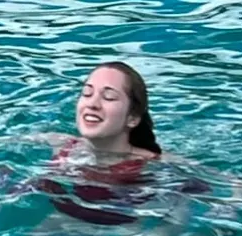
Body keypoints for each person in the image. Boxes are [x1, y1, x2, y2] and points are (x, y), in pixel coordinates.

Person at [35, 62, 167, 225]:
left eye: (108, 97)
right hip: (67, 222)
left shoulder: (153, 163)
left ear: (132, 118)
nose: (92, 104)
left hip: (129, 228)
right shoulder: (60, 144)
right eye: (87, 93)